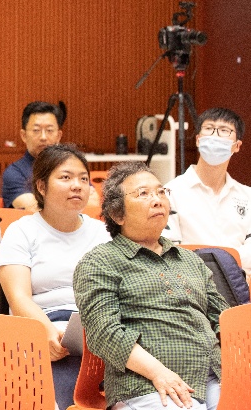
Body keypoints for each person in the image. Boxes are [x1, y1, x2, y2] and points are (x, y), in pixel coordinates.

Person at [74, 162, 227, 410]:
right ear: (117, 214)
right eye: (143, 194)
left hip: (215, 376)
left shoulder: (190, 259)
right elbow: (104, 333)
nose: (157, 200)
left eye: (161, 192)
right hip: (148, 384)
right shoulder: (100, 261)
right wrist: (158, 373)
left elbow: (223, 319)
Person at [0, 144, 111, 410]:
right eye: (66, 177)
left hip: (96, 329)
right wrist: (46, 331)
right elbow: (19, 298)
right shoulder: (21, 231)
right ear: (42, 187)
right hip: (43, 328)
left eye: (83, 178)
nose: (77, 186)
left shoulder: (103, 233)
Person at [164, 107, 250, 275]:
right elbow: (170, 250)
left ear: (237, 146)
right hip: (191, 281)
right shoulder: (171, 192)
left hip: (240, 283)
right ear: (198, 140)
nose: (215, 135)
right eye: (209, 128)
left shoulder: (248, 196)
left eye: (224, 130)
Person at [1, 101, 65, 210]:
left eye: (49, 130)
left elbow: (92, 202)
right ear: (24, 135)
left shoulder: (71, 169)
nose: (43, 137)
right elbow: (34, 209)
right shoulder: (14, 173)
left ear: (58, 136)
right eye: (36, 130)